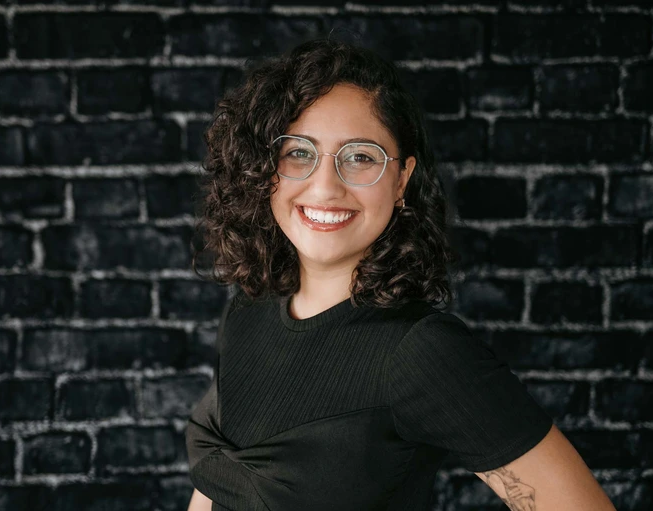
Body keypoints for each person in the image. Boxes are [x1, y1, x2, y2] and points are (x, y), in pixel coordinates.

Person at [185, 36, 617, 511]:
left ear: (401, 181)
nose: (326, 187)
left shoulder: (422, 352)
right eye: (299, 152)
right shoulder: (247, 311)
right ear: (265, 170)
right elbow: (215, 487)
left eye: (361, 157)